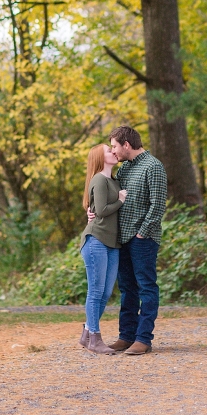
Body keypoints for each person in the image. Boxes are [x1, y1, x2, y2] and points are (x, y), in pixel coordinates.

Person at [100, 125, 167, 356]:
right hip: (122, 238)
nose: (113, 151)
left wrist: (142, 232)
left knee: (146, 287)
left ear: (126, 145)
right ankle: (126, 336)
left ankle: (143, 338)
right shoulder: (125, 168)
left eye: (115, 146)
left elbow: (157, 205)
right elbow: (113, 197)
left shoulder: (154, 167)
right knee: (127, 289)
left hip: (143, 239)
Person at [79, 144, 127, 355]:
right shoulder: (98, 179)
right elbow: (100, 211)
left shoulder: (113, 180)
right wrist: (120, 200)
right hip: (96, 240)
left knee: (106, 292)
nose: (113, 152)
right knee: (96, 291)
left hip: (112, 243)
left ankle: (87, 334)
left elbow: (96, 210)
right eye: (109, 150)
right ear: (101, 158)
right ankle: (95, 340)